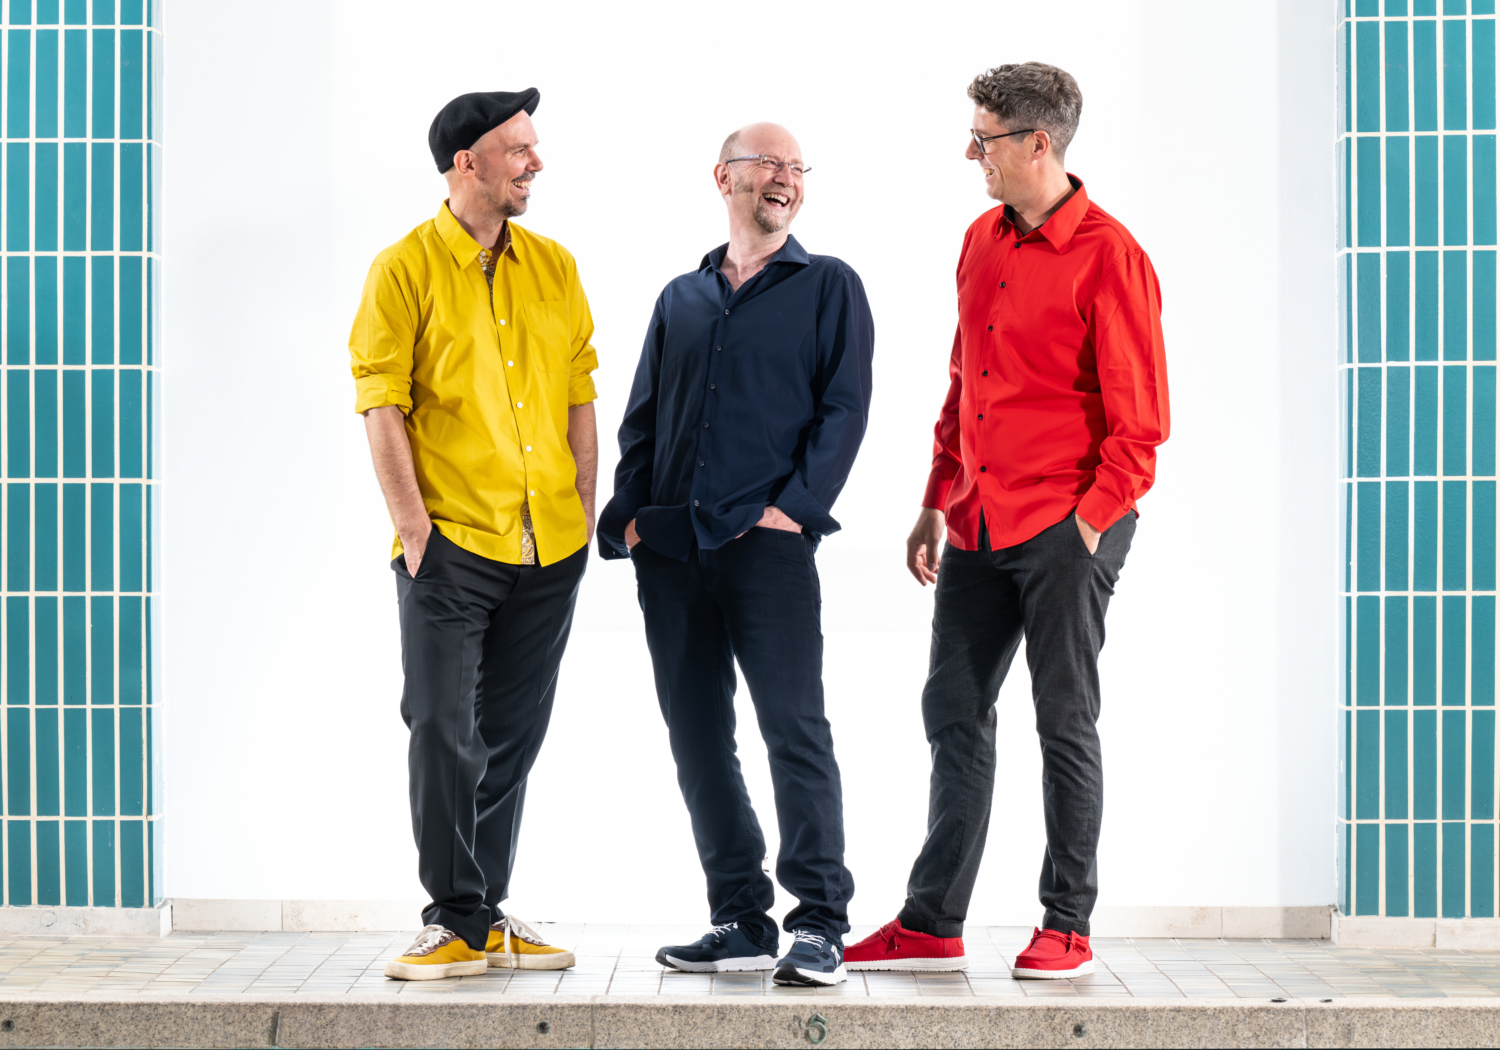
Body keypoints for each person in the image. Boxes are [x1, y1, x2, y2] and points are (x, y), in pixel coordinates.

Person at [844, 62, 1169, 980]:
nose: (970, 154)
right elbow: (965, 381)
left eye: (983, 139)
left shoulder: (1111, 255)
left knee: (1063, 719)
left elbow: (1142, 425)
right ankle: (931, 922)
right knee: (952, 707)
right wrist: (934, 499)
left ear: (1038, 143)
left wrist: (1088, 527)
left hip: (1066, 522)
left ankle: (1068, 923)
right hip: (978, 518)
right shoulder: (981, 240)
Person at [597, 123, 874, 987]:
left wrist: (792, 512)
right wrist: (631, 523)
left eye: (796, 167)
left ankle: (819, 922)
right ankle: (742, 918)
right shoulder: (680, 297)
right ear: (724, 177)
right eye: (767, 164)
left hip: (768, 551)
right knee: (697, 738)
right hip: (673, 552)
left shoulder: (829, 285)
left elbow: (845, 408)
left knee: (794, 730)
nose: (785, 178)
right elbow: (642, 421)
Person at [348, 88, 597, 980]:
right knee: (443, 729)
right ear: (468, 163)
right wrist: (413, 529)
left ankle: (483, 915)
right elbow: (381, 402)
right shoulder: (403, 269)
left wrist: (581, 513)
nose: (536, 162)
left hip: (548, 545)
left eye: (534, 146)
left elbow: (579, 393)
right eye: (519, 149)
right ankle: (452, 916)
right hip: (451, 544)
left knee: (510, 738)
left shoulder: (555, 266)